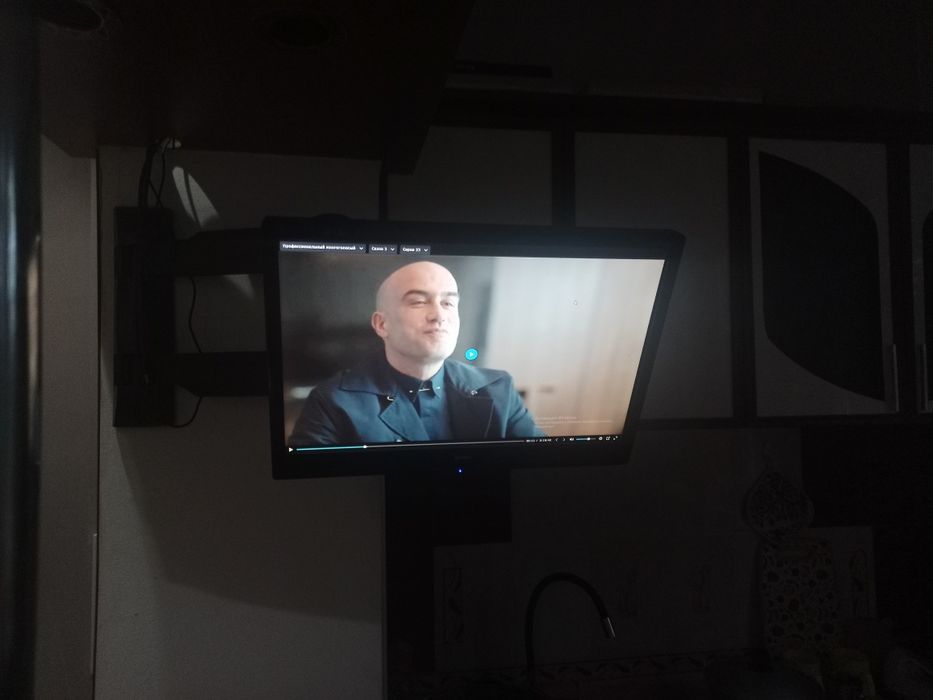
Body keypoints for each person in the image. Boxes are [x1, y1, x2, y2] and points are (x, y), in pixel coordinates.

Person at [290, 260, 544, 445]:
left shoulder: (499, 389)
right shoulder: (333, 402)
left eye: (448, 303)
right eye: (418, 302)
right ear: (382, 324)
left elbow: (538, 468)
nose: (439, 315)